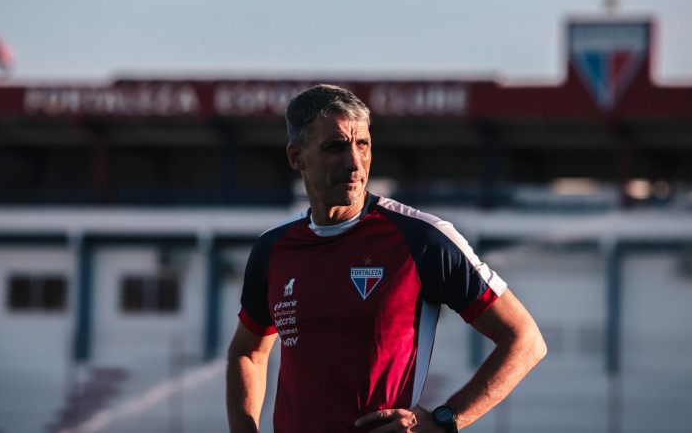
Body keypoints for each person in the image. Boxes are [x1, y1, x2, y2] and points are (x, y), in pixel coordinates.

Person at [226, 84, 546, 432]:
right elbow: (248, 352)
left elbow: (525, 339)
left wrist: (446, 419)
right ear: (295, 156)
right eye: (335, 147)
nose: (354, 162)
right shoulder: (272, 249)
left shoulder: (422, 238)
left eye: (362, 145)